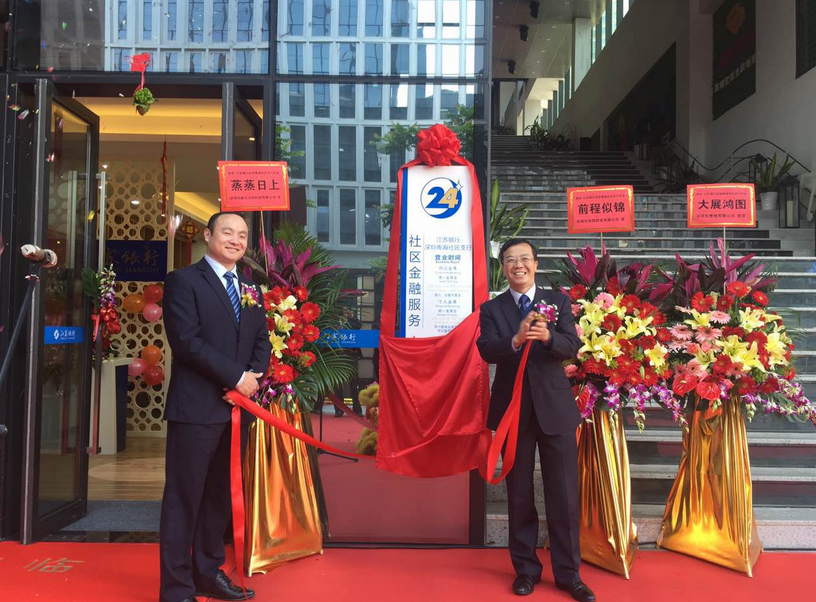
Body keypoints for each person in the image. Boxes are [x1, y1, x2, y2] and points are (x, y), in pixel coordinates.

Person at [159, 212, 271, 602]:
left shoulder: (250, 287)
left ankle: (208, 573)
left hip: (236, 411)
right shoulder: (183, 281)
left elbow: (261, 339)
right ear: (208, 235)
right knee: (184, 498)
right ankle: (176, 588)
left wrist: (252, 378)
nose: (236, 240)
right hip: (195, 409)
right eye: (227, 232)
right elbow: (186, 341)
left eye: (242, 235)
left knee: (218, 498)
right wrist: (235, 377)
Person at [476, 238, 595, 601]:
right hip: (514, 413)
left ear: (536, 264)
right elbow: (486, 349)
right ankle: (526, 570)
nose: (518, 265)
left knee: (564, 495)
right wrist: (515, 339)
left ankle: (569, 574)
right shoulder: (492, 308)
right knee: (519, 495)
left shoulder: (557, 301)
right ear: (503, 268)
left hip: (555, 411)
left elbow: (572, 346)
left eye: (524, 258)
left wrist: (548, 337)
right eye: (510, 260)